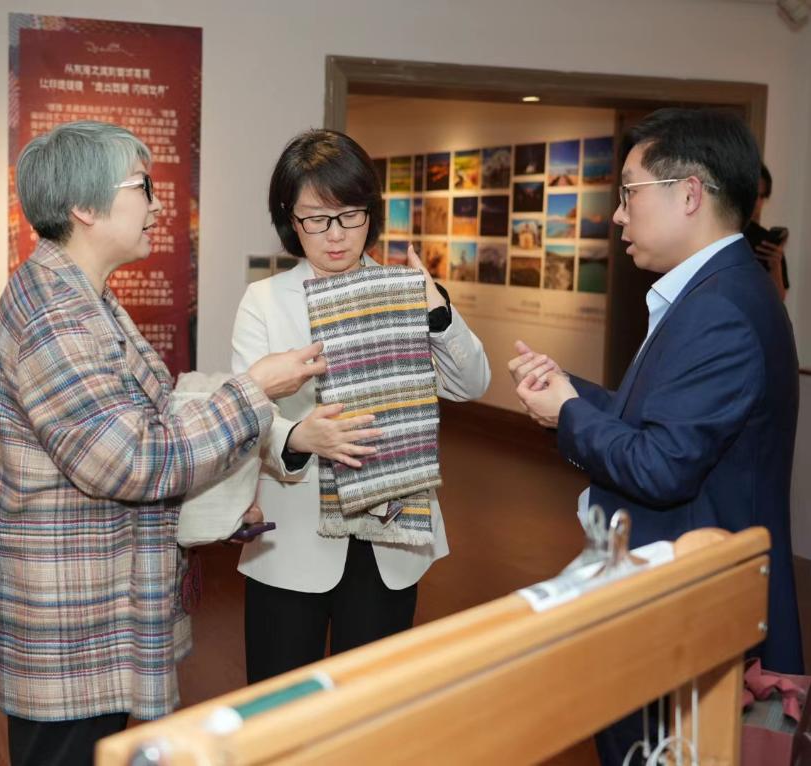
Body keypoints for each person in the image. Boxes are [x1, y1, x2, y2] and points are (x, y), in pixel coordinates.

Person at [0, 120, 325, 766]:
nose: (157, 204)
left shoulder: (81, 295)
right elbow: (133, 460)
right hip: (72, 616)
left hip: (89, 603)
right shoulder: (56, 317)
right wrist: (253, 390)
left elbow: (152, 415)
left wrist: (220, 506)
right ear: (85, 208)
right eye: (142, 186)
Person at [508, 108, 802, 764]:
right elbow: (663, 423)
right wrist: (571, 391)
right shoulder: (720, 291)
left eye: (629, 193)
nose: (618, 216)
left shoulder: (718, 309)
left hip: (688, 609)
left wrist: (567, 414)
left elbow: (662, 465)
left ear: (689, 194)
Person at [231, 129, 491, 684]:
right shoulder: (265, 301)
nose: (335, 235)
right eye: (315, 219)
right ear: (290, 220)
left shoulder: (405, 290)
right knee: (283, 705)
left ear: (370, 212)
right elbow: (246, 417)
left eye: (349, 216)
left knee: (374, 703)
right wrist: (300, 437)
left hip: (390, 539)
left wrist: (437, 313)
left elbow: (472, 384)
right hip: (292, 542)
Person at [744, 163, 789, 301]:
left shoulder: (765, 242)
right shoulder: (717, 232)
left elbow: (779, 301)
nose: (757, 203)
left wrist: (775, 267)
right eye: (753, 194)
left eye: (762, 197)